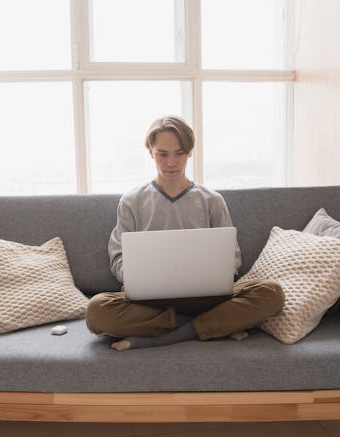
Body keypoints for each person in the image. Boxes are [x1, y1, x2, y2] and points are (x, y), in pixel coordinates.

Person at [86, 115, 284, 351]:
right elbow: (118, 258)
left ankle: (169, 334)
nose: (171, 162)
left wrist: (215, 273)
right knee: (97, 310)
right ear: (150, 151)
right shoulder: (131, 201)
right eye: (163, 153)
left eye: (179, 153)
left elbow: (232, 259)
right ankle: (206, 327)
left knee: (272, 292)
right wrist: (139, 277)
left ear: (190, 152)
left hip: (207, 300)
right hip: (150, 302)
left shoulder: (211, 200)